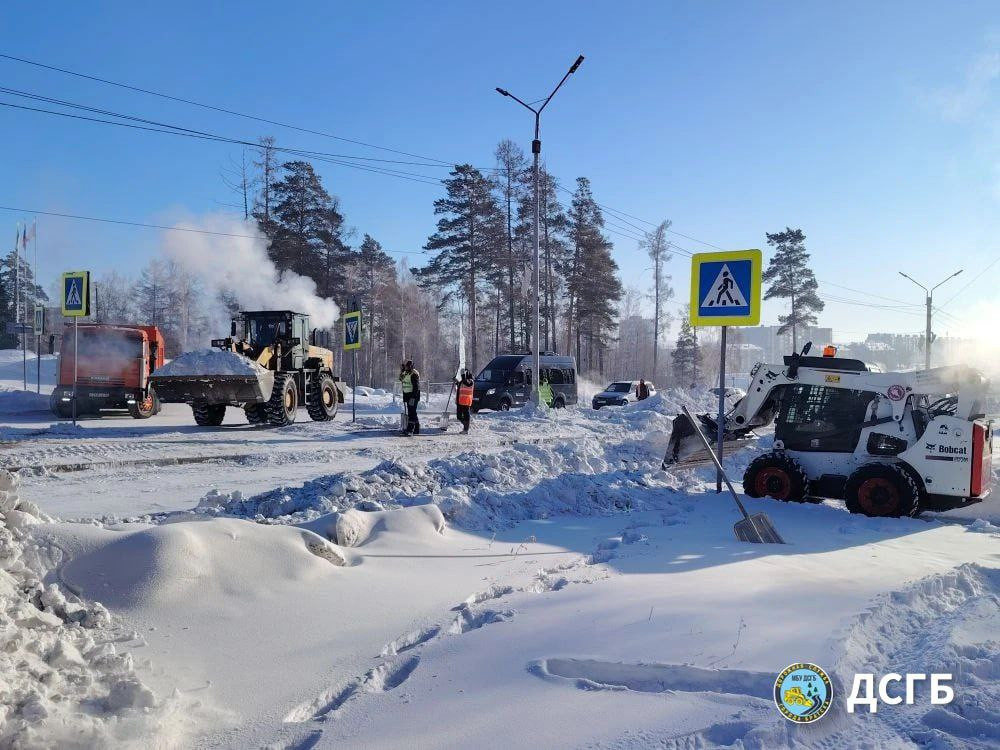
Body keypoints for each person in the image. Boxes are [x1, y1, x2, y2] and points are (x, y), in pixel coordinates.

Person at [399, 360, 420, 435]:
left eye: (407, 366)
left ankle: (410, 430)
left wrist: (413, 397)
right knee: (412, 412)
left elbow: (416, 387)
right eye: (405, 366)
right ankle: (416, 429)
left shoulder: (414, 374)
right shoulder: (406, 373)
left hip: (413, 396)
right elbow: (401, 379)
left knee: (411, 412)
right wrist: (402, 371)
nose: (406, 367)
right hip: (408, 395)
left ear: (410, 367)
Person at [455, 369, 474, 433]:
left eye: (464, 374)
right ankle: (466, 426)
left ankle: (466, 429)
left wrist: (463, 375)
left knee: (466, 415)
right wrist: (457, 382)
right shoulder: (463, 381)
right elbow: (461, 387)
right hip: (460, 401)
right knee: (459, 416)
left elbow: (467, 384)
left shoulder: (470, 381)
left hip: (466, 401)